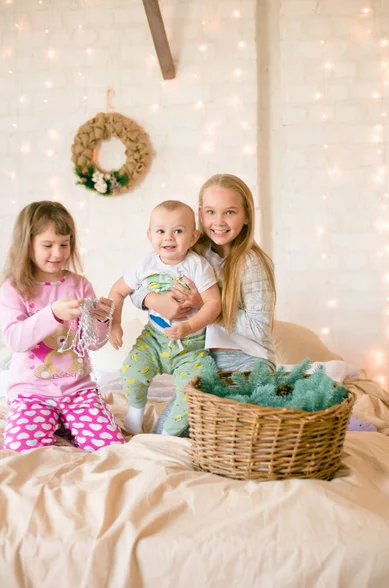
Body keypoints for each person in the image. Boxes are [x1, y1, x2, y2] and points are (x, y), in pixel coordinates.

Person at [131, 174, 276, 432]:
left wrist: (207, 307)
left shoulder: (251, 263)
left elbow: (259, 328)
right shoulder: (194, 254)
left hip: (247, 361)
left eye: (230, 212)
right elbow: (138, 282)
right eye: (211, 212)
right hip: (204, 360)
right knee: (163, 435)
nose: (218, 222)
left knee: (229, 430)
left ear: (246, 217)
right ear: (200, 213)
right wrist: (151, 299)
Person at [0, 201, 125, 452]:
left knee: (111, 447)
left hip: (78, 390)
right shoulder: (14, 288)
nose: (57, 253)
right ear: (27, 245)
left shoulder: (79, 284)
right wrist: (53, 314)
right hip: (32, 392)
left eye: (64, 244)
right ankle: (56, 423)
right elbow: (15, 340)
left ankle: (64, 422)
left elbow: (92, 343)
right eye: (48, 245)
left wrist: (101, 320)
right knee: (21, 450)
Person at [108, 200, 221, 436]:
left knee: (194, 388)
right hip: (154, 340)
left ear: (193, 237)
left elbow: (214, 304)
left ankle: (168, 434)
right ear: (150, 236)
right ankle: (135, 415)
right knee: (132, 369)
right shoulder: (144, 265)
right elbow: (117, 291)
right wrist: (115, 323)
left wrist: (189, 325)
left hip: (191, 346)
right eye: (161, 231)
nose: (168, 238)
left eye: (178, 231)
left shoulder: (197, 266)